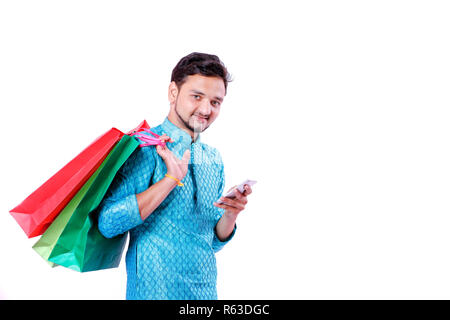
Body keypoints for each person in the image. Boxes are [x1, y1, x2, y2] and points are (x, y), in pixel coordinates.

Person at [97, 52, 253, 300]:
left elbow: (209, 243)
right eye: (196, 96)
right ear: (173, 93)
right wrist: (169, 180)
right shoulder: (144, 148)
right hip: (153, 293)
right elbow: (107, 224)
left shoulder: (213, 159)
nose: (205, 109)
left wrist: (231, 214)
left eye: (215, 102)